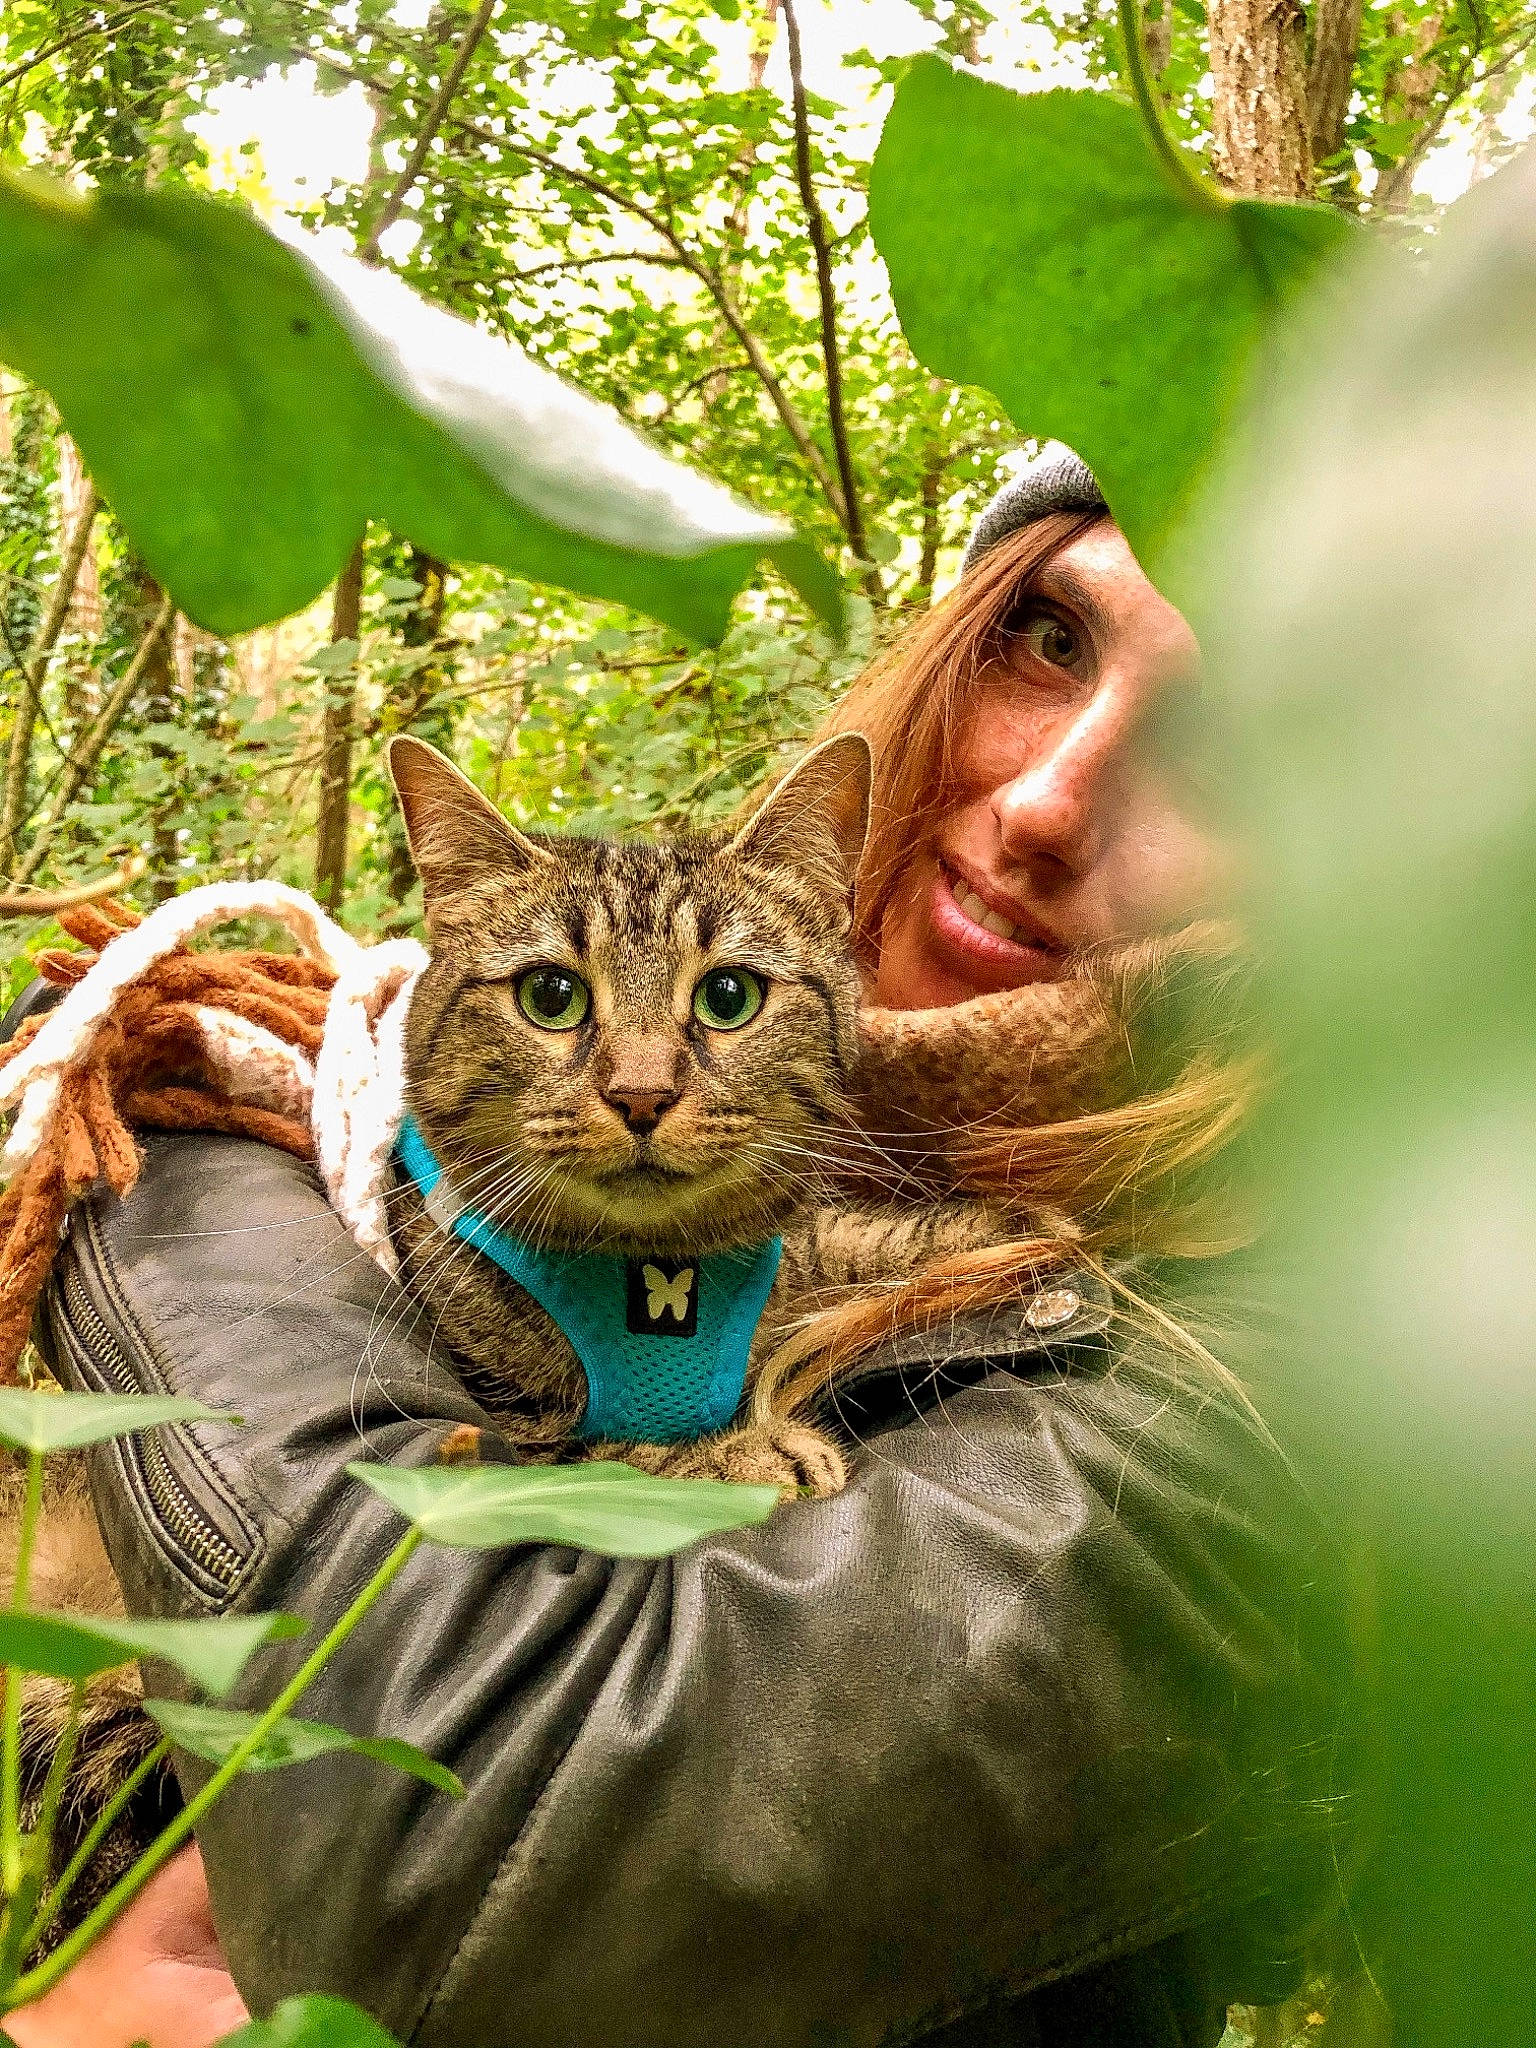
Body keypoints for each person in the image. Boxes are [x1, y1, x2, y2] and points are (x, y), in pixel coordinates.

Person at [6, 447, 1351, 2048]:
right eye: (1046, 636)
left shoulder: (1305, 1381)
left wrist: (156, 1154)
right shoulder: (623, 1054)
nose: (1049, 801)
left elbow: (461, 1849)